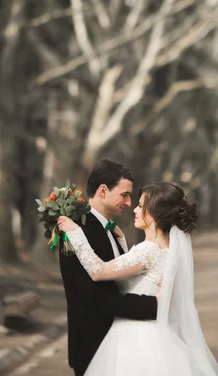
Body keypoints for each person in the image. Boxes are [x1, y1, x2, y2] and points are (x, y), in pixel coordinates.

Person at [58, 181, 218, 376]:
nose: (134, 209)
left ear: (154, 213)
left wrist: (75, 233)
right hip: (156, 335)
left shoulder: (148, 250)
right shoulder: (167, 249)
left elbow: (98, 271)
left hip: (134, 336)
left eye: (140, 205)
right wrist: (121, 241)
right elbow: (139, 276)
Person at [58, 159, 158, 376]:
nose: (129, 202)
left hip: (120, 344)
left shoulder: (112, 230)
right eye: (124, 194)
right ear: (103, 191)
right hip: (93, 344)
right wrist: (156, 305)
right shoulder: (76, 230)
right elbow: (96, 297)